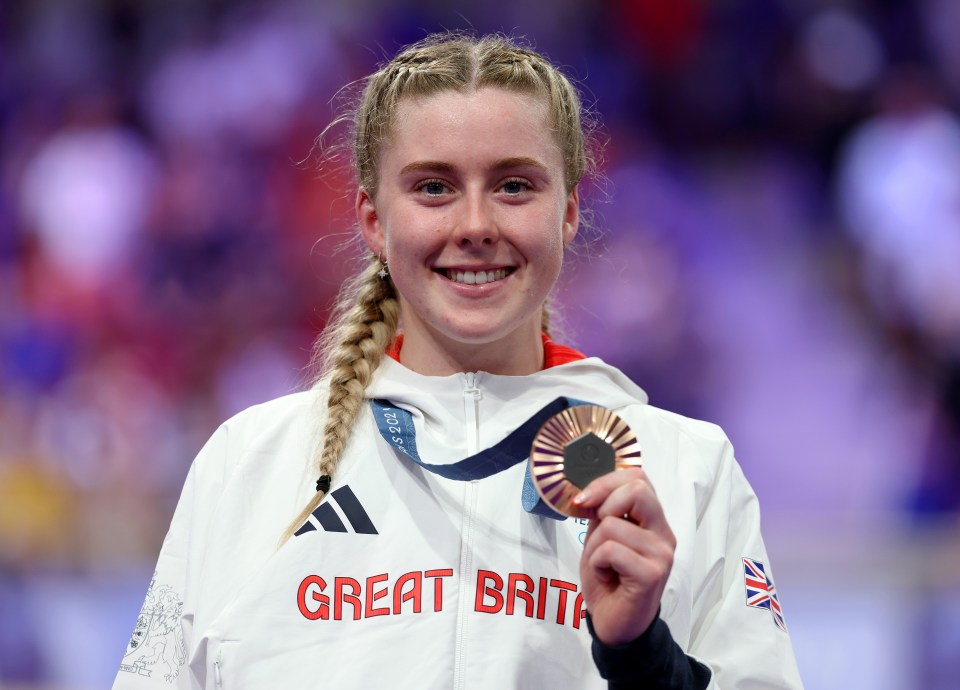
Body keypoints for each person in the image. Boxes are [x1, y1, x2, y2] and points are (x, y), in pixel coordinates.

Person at [114, 33, 803, 689]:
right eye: (434, 188)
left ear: (568, 212)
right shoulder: (248, 463)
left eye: (514, 186)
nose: (475, 225)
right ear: (373, 220)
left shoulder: (687, 469)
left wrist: (642, 658)